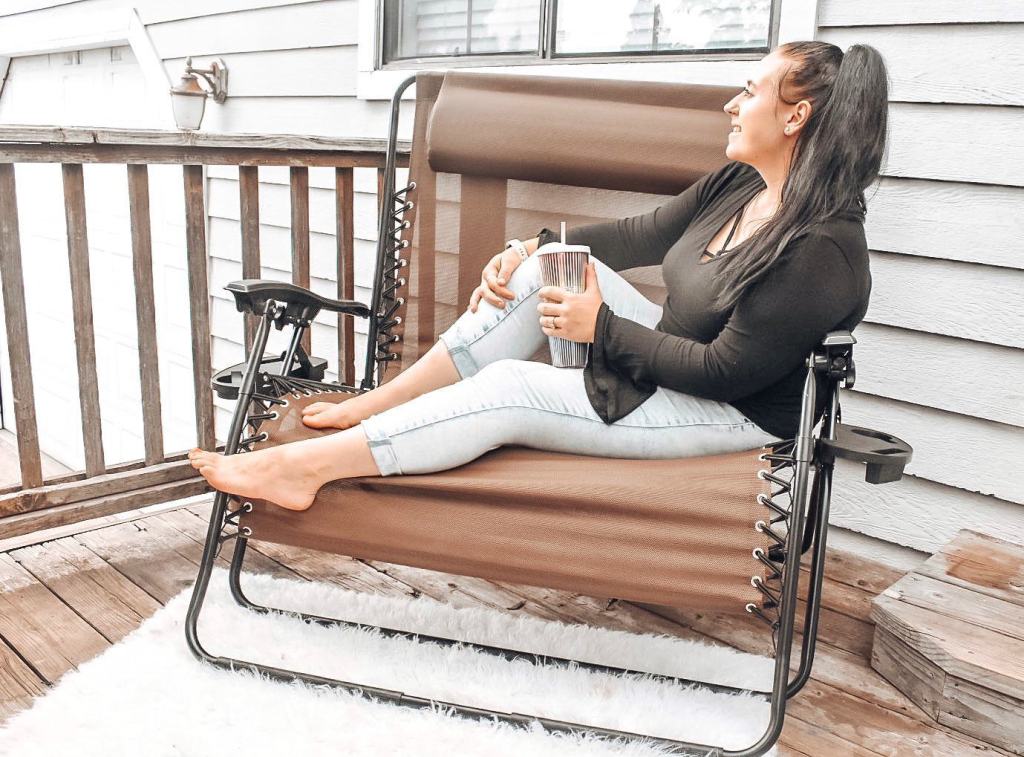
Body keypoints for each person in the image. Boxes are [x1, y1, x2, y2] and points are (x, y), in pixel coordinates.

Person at [189, 40, 888, 512]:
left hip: (726, 413)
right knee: (558, 268)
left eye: (749, 92)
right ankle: (380, 402)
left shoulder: (821, 251)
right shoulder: (742, 183)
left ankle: (303, 470)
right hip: (665, 358)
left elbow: (723, 373)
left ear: (795, 116)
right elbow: (641, 234)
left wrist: (603, 330)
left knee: (510, 386)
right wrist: (534, 245)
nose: (731, 105)